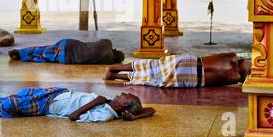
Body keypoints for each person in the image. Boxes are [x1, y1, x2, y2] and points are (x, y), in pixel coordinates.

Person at [0, 84, 155, 122]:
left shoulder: (106, 114)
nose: (123, 92)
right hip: (57, 94)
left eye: (126, 95)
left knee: (13, 103)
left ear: (123, 104)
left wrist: (95, 102)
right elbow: (152, 110)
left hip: (49, 106)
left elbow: (73, 116)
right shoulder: (109, 104)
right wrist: (136, 116)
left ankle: (0, 106)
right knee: (22, 93)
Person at [104, 52, 251, 88]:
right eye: (250, 68)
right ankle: (115, 69)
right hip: (191, 66)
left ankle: (116, 74)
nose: (250, 70)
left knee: (155, 76)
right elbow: (242, 76)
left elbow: (242, 77)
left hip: (191, 77)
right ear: (242, 60)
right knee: (154, 69)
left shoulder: (235, 75)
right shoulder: (233, 66)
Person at [7, 38, 125, 65]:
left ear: (115, 50)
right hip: (66, 59)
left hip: (69, 44)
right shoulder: (108, 61)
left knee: (43, 48)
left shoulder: (107, 43)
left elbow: (95, 43)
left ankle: (19, 52)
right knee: (43, 56)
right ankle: (21, 56)